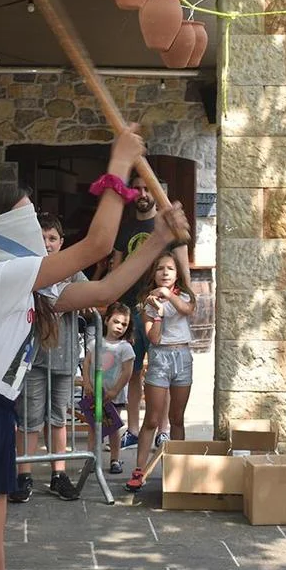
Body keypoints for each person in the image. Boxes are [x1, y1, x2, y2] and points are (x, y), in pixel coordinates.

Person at [0, 126, 190, 570]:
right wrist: (119, 163)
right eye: (24, 214)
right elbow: (97, 246)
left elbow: (104, 290)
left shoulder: (25, 283)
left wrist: (158, 238)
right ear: (0, 228)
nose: (35, 224)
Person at [107, 174, 191, 451]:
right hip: (131, 309)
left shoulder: (169, 229)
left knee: (161, 374)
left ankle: (162, 431)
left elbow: (184, 271)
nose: (142, 194)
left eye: (147, 189)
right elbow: (115, 269)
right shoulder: (125, 228)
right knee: (131, 370)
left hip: (161, 310)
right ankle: (132, 430)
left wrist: (182, 300)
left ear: (157, 192)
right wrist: (115, 304)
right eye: (137, 189)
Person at [9, 212, 87, 503]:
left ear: (61, 242)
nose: (47, 243)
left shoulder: (71, 269)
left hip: (63, 356)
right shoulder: (26, 269)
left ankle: (59, 474)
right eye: (42, 237)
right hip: (32, 357)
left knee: (58, 417)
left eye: (52, 238)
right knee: (28, 418)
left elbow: (88, 293)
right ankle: (24, 474)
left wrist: (73, 296)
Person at [125, 252, 196, 492]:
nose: (165, 272)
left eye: (170, 268)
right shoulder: (148, 302)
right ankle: (139, 469)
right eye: (160, 268)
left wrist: (168, 295)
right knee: (152, 419)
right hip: (160, 357)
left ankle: (179, 470)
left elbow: (187, 309)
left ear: (177, 274)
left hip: (182, 356)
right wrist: (158, 314)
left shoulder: (184, 295)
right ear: (153, 274)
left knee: (177, 418)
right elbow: (153, 338)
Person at [81, 303, 135, 474]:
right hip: (95, 393)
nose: (119, 327)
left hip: (113, 396)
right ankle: (91, 457)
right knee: (93, 427)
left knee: (113, 428)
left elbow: (127, 372)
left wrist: (115, 391)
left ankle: (115, 459)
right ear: (106, 321)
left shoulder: (125, 347)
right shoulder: (94, 343)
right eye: (116, 322)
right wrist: (87, 383)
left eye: (124, 324)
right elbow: (87, 363)